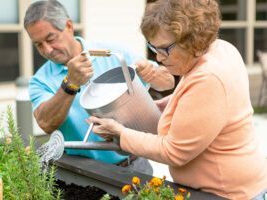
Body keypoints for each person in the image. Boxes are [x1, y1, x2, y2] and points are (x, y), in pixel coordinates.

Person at [88, 0, 267, 199]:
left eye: (164, 48)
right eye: (153, 48)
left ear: (193, 41)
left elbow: (174, 151)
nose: (158, 58)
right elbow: (205, 100)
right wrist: (168, 104)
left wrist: (122, 134)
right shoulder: (221, 49)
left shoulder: (208, 77)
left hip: (227, 193)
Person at [23, 0, 175, 175]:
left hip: (135, 165)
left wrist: (153, 75)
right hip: (82, 172)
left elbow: (168, 81)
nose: (47, 49)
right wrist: (69, 84)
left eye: (51, 39)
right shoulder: (40, 80)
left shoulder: (112, 53)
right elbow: (46, 124)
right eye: (39, 44)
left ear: (69, 26)